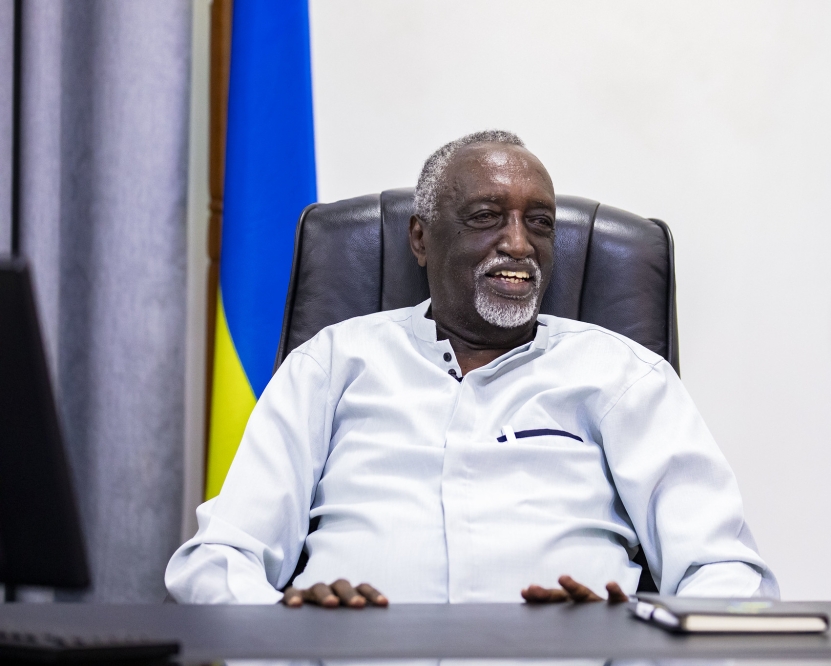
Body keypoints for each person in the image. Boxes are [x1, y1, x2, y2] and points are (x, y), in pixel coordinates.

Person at [165, 130, 778, 607]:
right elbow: (218, 560)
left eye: (539, 223)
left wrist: (629, 632)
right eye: (487, 216)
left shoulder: (623, 377)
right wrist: (290, 618)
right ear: (422, 238)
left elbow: (726, 573)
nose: (519, 244)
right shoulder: (332, 364)